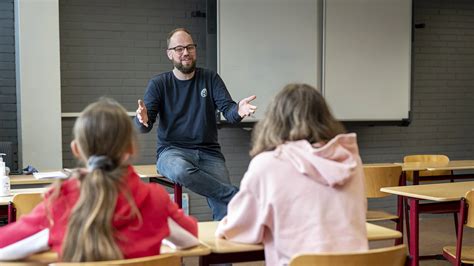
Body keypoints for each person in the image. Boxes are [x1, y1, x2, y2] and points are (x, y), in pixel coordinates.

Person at [0, 98, 198, 262]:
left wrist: (46, 240)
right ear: (131, 148)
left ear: (76, 149)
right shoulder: (155, 199)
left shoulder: (60, 202)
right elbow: (190, 237)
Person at [215, 84, 368, 265]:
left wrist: (223, 226)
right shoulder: (350, 160)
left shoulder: (267, 164)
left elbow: (239, 229)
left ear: (276, 119)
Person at [135, 27, 256, 220]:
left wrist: (239, 110)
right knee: (182, 171)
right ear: (170, 54)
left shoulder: (210, 78)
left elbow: (230, 112)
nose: (185, 53)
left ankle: (221, 245)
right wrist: (142, 119)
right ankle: (234, 195)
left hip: (209, 153)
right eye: (179, 48)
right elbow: (144, 125)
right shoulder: (159, 84)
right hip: (171, 152)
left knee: (227, 212)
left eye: (190, 47)